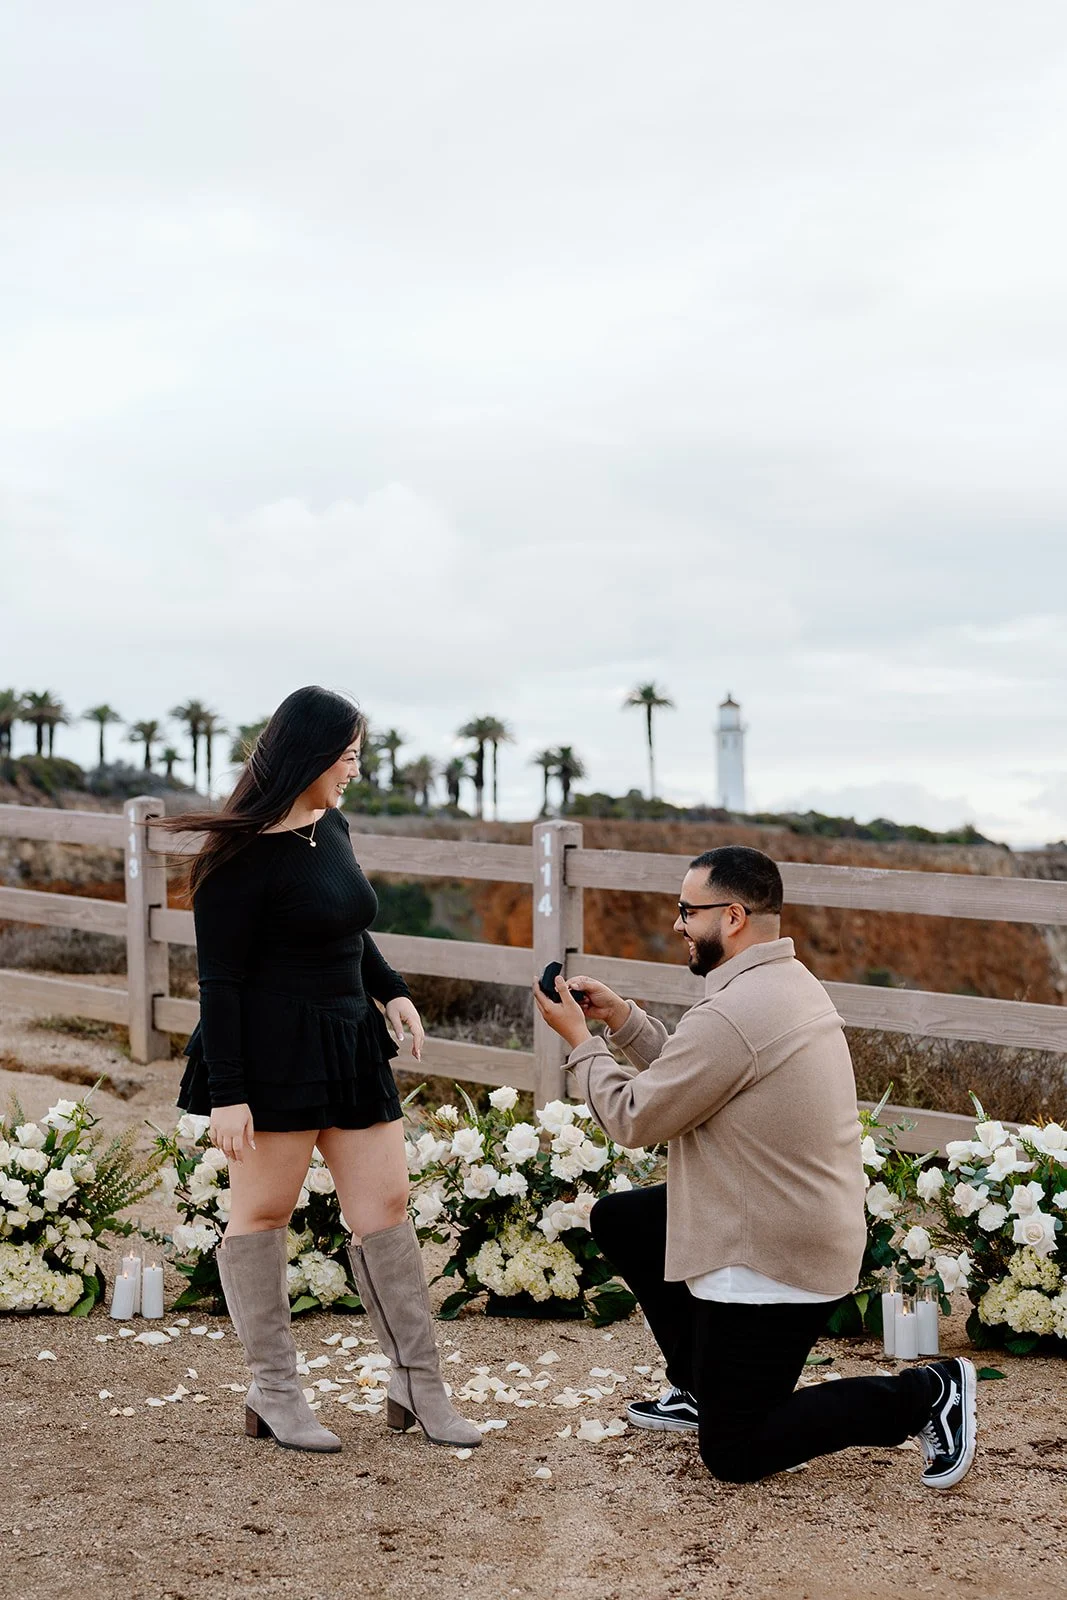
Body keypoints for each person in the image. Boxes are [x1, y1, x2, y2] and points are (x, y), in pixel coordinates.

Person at [533, 844, 978, 1489]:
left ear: (733, 916)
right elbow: (702, 1072)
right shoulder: (778, 984)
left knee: (736, 1451)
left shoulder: (735, 1012)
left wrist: (581, 1044)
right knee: (626, 1219)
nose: (678, 924)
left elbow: (635, 1117)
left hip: (773, 1243)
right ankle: (700, 1385)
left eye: (689, 910)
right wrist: (623, 1021)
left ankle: (925, 1394)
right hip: (789, 1213)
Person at [164, 686, 481, 1454]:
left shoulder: (329, 825)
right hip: (269, 1054)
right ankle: (273, 1392)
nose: (355, 770)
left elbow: (343, 921)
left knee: (386, 1206)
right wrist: (231, 1096)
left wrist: (391, 992)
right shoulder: (233, 861)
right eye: (346, 757)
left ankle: (417, 1384)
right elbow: (221, 984)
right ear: (308, 756)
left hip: (347, 1040)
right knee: (263, 1214)